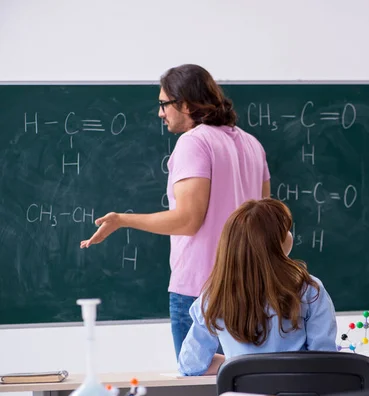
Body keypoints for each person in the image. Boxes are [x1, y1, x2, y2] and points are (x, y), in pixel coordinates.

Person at [80, 64, 271, 359]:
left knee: (197, 382)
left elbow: (188, 220)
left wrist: (122, 220)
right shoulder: (252, 145)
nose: (160, 113)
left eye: (163, 104)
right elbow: (269, 223)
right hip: (251, 289)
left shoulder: (194, 142)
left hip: (201, 291)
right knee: (246, 383)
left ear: (184, 103)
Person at [178, 198, 338, 376]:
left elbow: (190, 365)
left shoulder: (214, 297)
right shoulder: (308, 290)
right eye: (286, 230)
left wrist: (236, 363)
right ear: (275, 243)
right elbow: (325, 361)